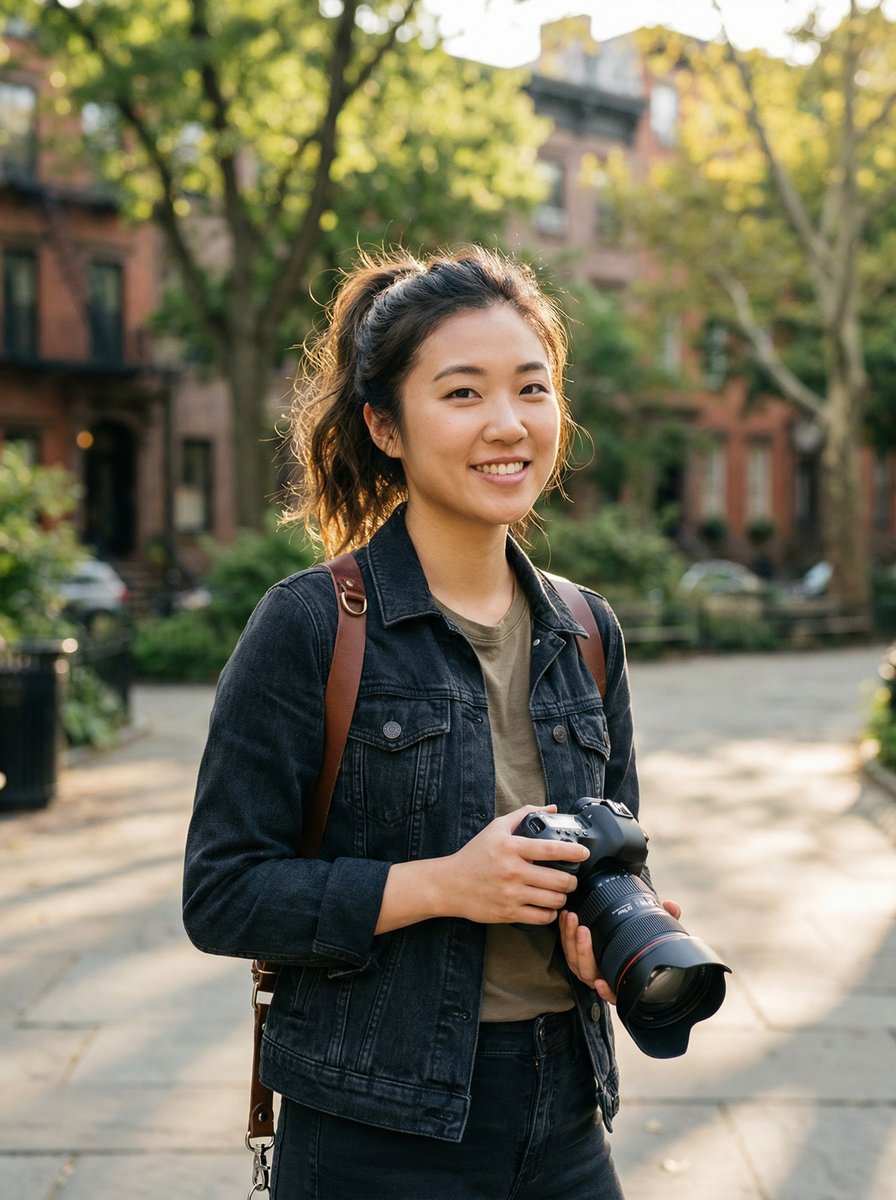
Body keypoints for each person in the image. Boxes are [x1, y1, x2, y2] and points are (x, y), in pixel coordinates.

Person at [183, 245, 678, 1199]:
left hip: (569, 1116)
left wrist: (617, 931)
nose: (508, 423)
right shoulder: (312, 623)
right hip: (377, 1129)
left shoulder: (584, 628)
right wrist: (445, 885)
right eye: (462, 394)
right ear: (386, 425)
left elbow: (623, 848)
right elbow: (225, 894)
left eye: (532, 389)